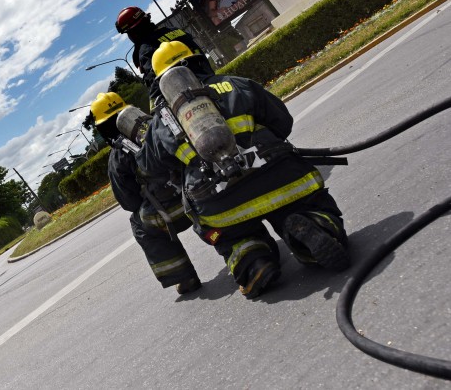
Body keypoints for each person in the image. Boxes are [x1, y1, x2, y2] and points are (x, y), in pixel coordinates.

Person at [137, 42, 350, 299]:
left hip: (219, 203)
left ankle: (251, 260)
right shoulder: (234, 83)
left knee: (233, 236)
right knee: (305, 206)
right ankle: (317, 226)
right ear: (198, 61)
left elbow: (150, 169)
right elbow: (283, 122)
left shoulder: (161, 121)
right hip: (281, 177)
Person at [91, 92, 201, 295]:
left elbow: (129, 202)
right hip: (200, 194)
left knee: (138, 223)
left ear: (104, 129)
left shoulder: (118, 156)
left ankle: (184, 277)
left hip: (170, 215)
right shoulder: (160, 124)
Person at [115, 6, 212, 102]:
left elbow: (156, 90)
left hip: (190, 101)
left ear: (133, 33)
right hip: (212, 83)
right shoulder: (176, 31)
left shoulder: (146, 49)